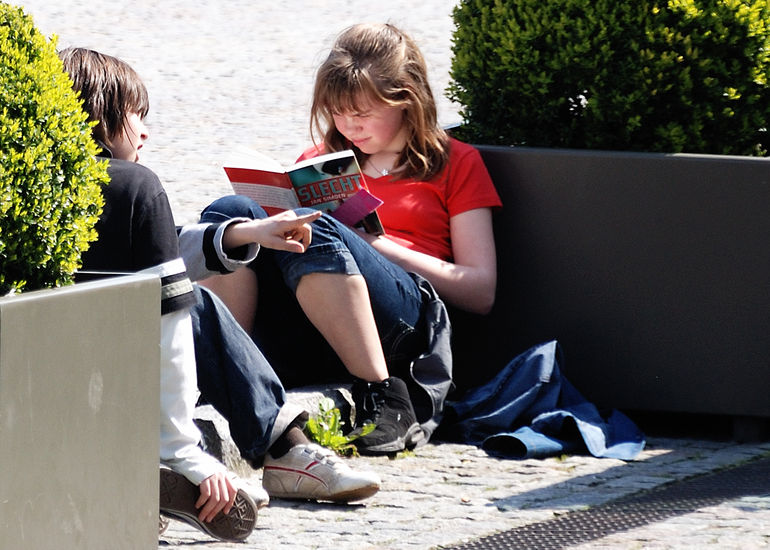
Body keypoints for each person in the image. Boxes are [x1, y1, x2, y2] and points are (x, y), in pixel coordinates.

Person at [58, 47, 381, 543]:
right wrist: (182, 449)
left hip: (55, 375)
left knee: (181, 293)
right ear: (99, 114)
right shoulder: (135, 187)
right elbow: (169, 327)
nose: (145, 133)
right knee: (195, 303)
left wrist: (249, 233)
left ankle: (263, 450)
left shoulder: (36, 185)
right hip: (111, 378)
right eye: (136, 115)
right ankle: (281, 450)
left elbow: (162, 253)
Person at [199, 23, 502, 456]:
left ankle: (384, 391)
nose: (349, 126)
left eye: (362, 113)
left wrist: (375, 245)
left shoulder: (456, 162)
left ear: (406, 99)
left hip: (402, 323)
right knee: (230, 215)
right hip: (312, 321)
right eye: (338, 113)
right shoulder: (320, 162)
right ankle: (228, 371)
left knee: (317, 225)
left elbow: (480, 290)